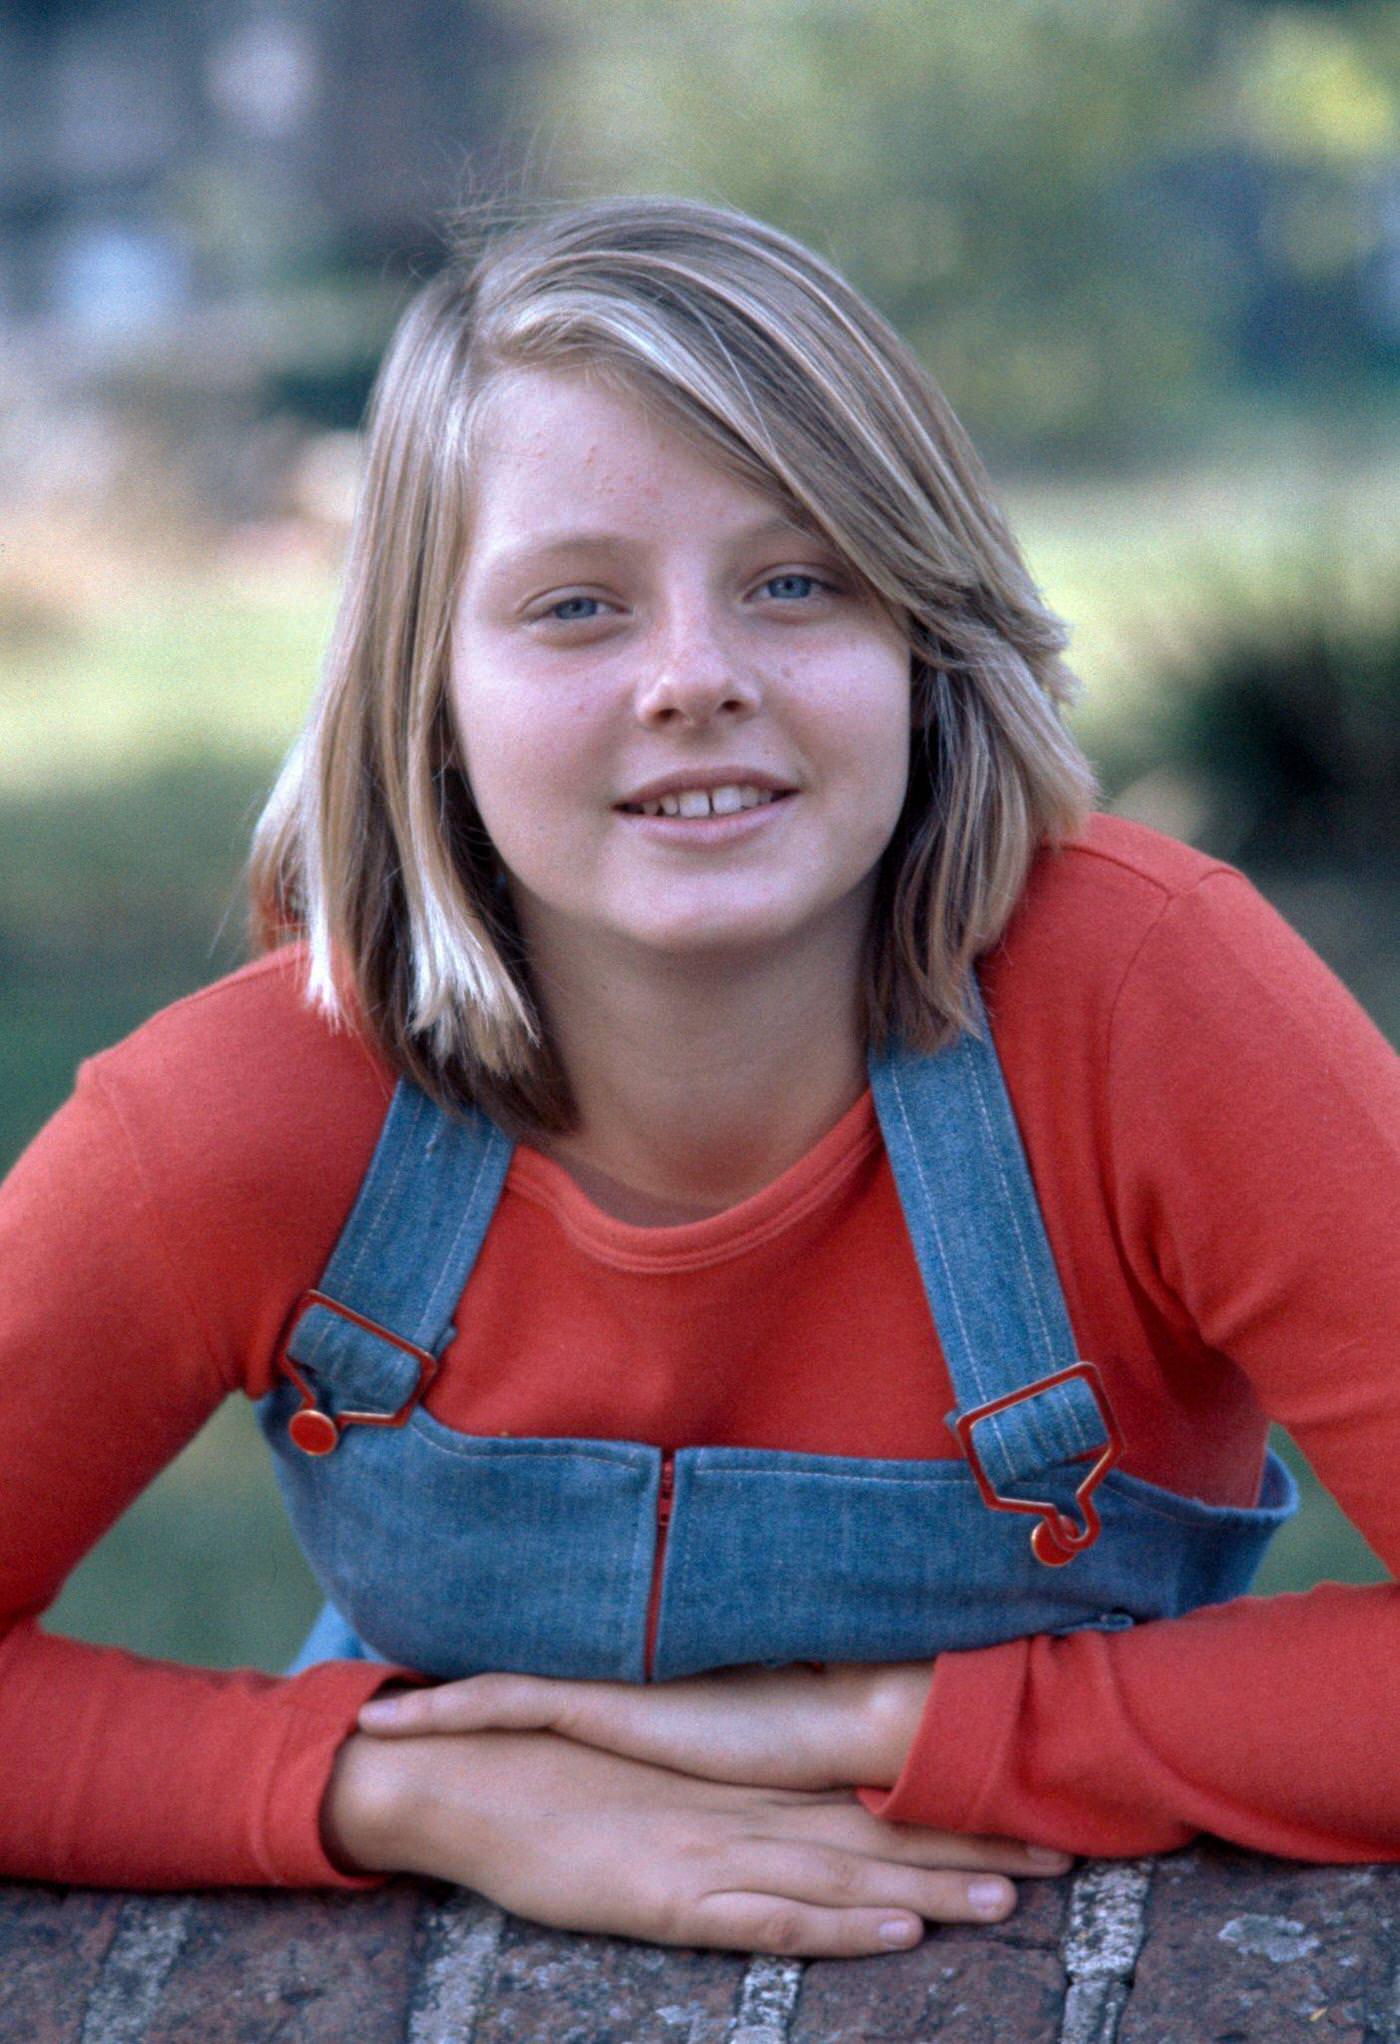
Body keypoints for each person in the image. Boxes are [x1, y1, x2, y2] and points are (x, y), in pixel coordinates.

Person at [1, 195, 1397, 1963]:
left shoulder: (1157, 1012)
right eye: (575, 607)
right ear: (424, 692)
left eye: (794, 579)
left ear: (924, 630)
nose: (696, 680)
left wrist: (885, 1728)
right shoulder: (244, 1116)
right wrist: (408, 1791)